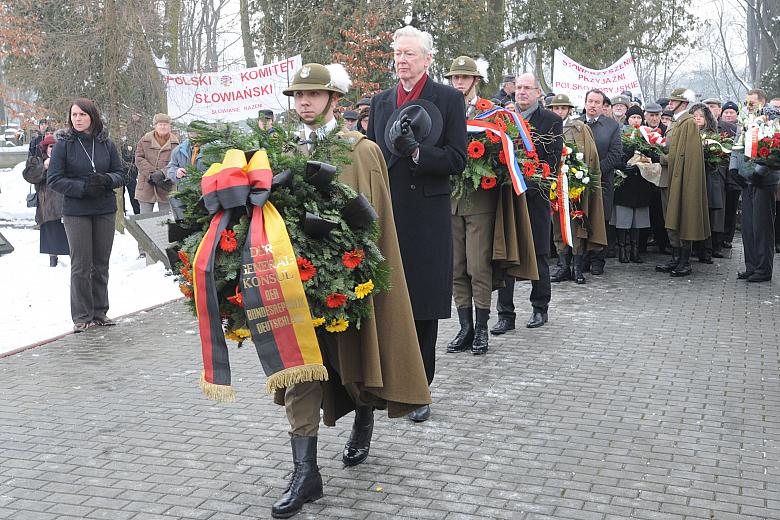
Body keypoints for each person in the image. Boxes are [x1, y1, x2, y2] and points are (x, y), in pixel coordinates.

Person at [273, 62, 431, 519]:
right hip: (294, 282)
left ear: (332, 100)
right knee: (300, 368)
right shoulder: (279, 149)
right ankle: (306, 473)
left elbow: (374, 222)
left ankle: (363, 415)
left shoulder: (358, 150)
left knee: (354, 359)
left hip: (347, 281)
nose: (303, 102)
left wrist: (352, 267)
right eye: (298, 95)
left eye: (313, 95)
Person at [367, 25, 467, 422]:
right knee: (389, 301)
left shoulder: (448, 99)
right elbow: (373, 158)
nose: (401, 60)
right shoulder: (380, 101)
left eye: (409, 54)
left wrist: (419, 154)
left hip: (426, 218)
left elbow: (457, 159)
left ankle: (421, 389)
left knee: (422, 305)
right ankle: (389, 380)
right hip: (387, 215)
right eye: (396, 53)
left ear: (428, 59)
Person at [492, 72, 562, 333]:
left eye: (527, 88)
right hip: (507, 198)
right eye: (518, 87)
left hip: (535, 198)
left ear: (537, 93)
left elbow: (553, 161)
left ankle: (539, 308)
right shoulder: (503, 119)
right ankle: (505, 315)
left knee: (539, 254)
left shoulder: (551, 121)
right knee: (505, 254)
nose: (521, 92)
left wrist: (526, 185)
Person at [47, 98, 125, 332]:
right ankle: (82, 316)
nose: (78, 119)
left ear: (92, 116)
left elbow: (120, 173)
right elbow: (54, 180)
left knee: (101, 264)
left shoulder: (106, 143)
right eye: (74, 115)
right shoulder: (64, 145)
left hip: (104, 209)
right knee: (81, 265)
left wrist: (106, 180)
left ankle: (100, 312)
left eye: (82, 115)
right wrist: (82, 188)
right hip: (77, 211)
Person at [548, 94, 607, 284]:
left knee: (577, 226)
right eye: (556, 108)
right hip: (554, 187)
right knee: (558, 225)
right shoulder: (547, 128)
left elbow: (590, 156)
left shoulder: (580, 128)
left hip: (575, 187)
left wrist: (581, 178)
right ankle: (563, 266)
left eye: (563, 108)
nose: (559, 112)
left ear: (569, 110)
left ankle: (577, 268)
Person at [655, 88, 710, 278]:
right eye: (670, 101)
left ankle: (684, 260)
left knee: (683, 217)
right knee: (670, 220)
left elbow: (684, 155)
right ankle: (675, 256)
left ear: (684, 103)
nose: (670, 104)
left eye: (674, 101)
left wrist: (660, 156)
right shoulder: (677, 122)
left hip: (680, 178)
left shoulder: (688, 123)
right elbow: (672, 148)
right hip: (669, 178)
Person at [732, 88, 779, 282]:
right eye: (747, 102)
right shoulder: (744, 121)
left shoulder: (773, 121)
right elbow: (737, 145)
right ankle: (751, 265)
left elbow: (775, 149)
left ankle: (763, 268)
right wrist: (733, 169)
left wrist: (762, 171)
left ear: (762, 101)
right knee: (749, 226)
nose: (748, 106)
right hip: (746, 179)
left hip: (764, 180)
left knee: (762, 226)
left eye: (752, 102)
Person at [580, 89, 623, 275]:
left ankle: (598, 259)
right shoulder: (576, 124)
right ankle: (582, 259)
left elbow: (615, 155)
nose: (593, 105)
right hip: (578, 182)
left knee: (600, 221)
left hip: (601, 183)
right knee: (581, 219)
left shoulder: (611, 126)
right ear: (585, 103)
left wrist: (594, 173)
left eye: (597, 102)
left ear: (603, 106)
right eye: (590, 101)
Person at [613, 105, 656, 263]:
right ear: (627, 119)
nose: (636, 121)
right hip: (624, 182)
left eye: (638, 118)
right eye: (633, 118)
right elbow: (615, 153)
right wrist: (623, 165)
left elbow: (653, 153)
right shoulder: (619, 134)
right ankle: (622, 251)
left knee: (638, 221)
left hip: (641, 183)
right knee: (623, 219)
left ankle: (635, 251)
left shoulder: (646, 135)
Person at [23, 134, 69, 267]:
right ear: (45, 148)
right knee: (51, 237)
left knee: (69, 236)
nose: (53, 149)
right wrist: (44, 166)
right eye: (51, 146)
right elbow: (29, 176)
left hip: (66, 205)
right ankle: (53, 260)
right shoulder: (37, 160)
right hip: (47, 206)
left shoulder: (66, 159)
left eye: (56, 146)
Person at [135, 113, 179, 216]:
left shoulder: (176, 143)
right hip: (146, 184)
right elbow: (138, 158)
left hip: (166, 185)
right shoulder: (144, 140)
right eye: (160, 124)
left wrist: (162, 173)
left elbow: (177, 162)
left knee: (166, 220)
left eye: (165, 124)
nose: (163, 127)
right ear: (155, 126)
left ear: (169, 126)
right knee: (145, 219)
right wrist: (151, 173)